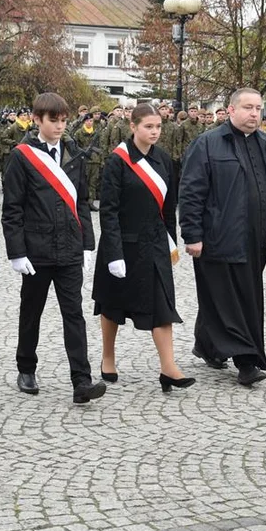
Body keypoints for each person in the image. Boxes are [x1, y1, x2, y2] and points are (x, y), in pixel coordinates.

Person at [178, 88, 266, 386]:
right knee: (236, 300)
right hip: (219, 237)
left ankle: (207, 345)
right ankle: (246, 360)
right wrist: (192, 235)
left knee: (226, 296)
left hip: (257, 239)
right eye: (247, 108)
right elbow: (190, 192)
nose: (254, 113)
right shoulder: (207, 144)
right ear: (230, 110)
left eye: (258, 108)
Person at [2, 92, 107, 405]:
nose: (60, 126)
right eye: (53, 120)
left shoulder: (74, 151)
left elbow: (82, 201)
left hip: (70, 248)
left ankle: (81, 381)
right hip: (36, 249)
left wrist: (88, 243)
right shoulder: (22, 156)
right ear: (37, 120)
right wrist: (17, 252)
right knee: (31, 311)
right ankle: (26, 367)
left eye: (63, 120)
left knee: (74, 313)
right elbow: (13, 209)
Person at [93, 103, 194, 391]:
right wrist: (113, 254)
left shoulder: (163, 159)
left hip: (154, 244)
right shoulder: (118, 160)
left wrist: (171, 239)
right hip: (123, 243)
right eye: (148, 126)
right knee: (112, 304)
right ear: (133, 127)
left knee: (162, 305)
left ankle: (168, 367)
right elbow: (108, 210)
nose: (154, 132)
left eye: (158, 127)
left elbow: (169, 205)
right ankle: (108, 357)